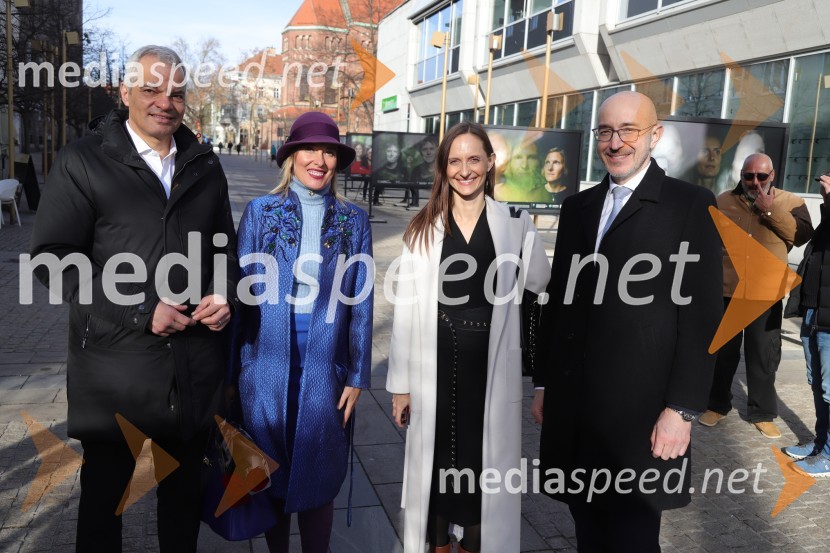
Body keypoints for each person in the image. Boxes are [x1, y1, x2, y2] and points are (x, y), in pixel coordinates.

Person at [30, 45, 239, 553]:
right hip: (115, 373)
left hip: (191, 372)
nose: (164, 101)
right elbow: (53, 261)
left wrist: (223, 291)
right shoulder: (84, 160)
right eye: (151, 89)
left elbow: (224, 247)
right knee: (104, 510)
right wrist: (144, 308)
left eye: (176, 92)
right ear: (125, 93)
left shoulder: (204, 163)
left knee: (182, 510)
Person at [532, 91, 723, 552]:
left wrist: (682, 410)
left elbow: (702, 318)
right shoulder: (579, 207)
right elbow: (559, 303)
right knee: (586, 525)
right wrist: (543, 383)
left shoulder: (690, 205)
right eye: (605, 131)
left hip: (642, 414)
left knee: (632, 535)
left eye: (628, 131)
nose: (615, 143)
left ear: (654, 135)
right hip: (577, 407)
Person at [386, 122, 550, 553]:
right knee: (437, 466)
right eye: (454, 161)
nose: (464, 170)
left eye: (474, 159)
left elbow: (540, 283)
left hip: (490, 370)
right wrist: (400, 385)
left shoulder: (514, 222)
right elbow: (404, 312)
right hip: (434, 366)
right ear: (444, 167)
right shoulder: (422, 228)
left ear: (490, 163)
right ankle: (438, 546)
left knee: (484, 471)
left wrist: (528, 237)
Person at [234, 111, 373, 553]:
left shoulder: (354, 221)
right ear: (291, 156)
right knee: (267, 471)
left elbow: (362, 303)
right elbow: (239, 297)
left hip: (324, 366)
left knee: (319, 470)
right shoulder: (260, 212)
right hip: (265, 366)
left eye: (329, 151)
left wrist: (357, 375)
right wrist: (230, 375)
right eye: (310, 149)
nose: (320, 159)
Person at [698, 153, 813, 437]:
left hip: (765, 292)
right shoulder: (723, 200)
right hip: (727, 290)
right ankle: (717, 405)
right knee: (722, 354)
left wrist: (770, 210)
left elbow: (801, 236)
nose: (755, 182)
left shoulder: (791, 202)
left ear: (772, 175)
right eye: (749, 176)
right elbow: (705, 239)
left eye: (762, 176)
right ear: (742, 175)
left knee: (763, 354)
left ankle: (762, 412)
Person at [783, 171, 830, 476]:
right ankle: (820, 443)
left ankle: (828, 455)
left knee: (829, 387)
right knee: (817, 383)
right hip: (815, 311)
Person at [400, 136, 438, 208]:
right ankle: (414, 202)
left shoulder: (440, 168)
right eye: (424, 149)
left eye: (431, 149)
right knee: (412, 189)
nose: (428, 152)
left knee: (415, 189)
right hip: (411, 176)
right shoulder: (417, 168)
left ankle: (415, 202)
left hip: (414, 178)